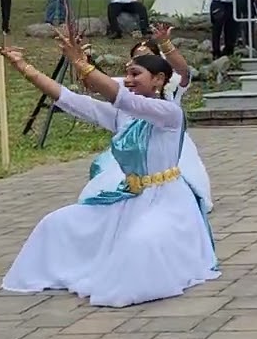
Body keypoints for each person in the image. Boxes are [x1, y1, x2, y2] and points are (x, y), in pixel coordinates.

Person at [0, 32, 218, 307]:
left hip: (168, 202)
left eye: (136, 74)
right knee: (56, 223)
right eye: (126, 74)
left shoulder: (169, 113)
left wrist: (80, 64)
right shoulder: (122, 115)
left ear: (159, 79)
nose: (128, 80)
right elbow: (68, 99)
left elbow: (124, 99)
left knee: (140, 243)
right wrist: (23, 66)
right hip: (130, 198)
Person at [79, 28, 213, 214]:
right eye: (135, 61)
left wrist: (166, 43)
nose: (130, 79)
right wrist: (82, 60)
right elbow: (101, 84)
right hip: (132, 146)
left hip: (167, 144)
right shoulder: (127, 83)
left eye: (148, 57)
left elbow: (183, 71)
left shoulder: (171, 84)